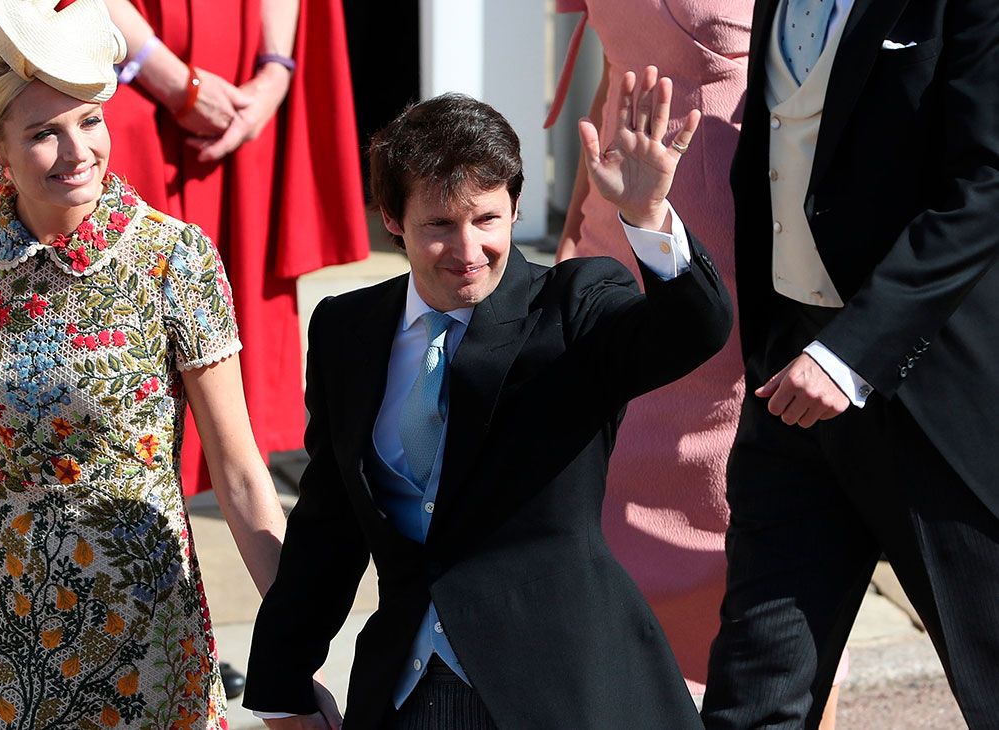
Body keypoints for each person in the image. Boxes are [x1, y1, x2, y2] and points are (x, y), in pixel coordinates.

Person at [244, 81, 733, 728]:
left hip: (565, 689)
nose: (469, 251)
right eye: (441, 225)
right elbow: (330, 520)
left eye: (486, 219)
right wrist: (283, 685)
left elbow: (694, 330)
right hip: (408, 691)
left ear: (513, 206)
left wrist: (647, 217)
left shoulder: (573, 304)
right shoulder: (347, 329)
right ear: (392, 219)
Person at [0, 1, 325, 727]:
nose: (79, 154)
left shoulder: (173, 257)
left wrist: (294, 653)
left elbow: (239, 472)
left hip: (135, 619)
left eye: (89, 121)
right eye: (43, 134)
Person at [545, 1, 849, 724]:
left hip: (744, 249)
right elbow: (616, 68)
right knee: (597, 529)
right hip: (620, 237)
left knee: (770, 567)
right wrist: (573, 236)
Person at [701, 0, 999, 728]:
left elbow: (987, 184)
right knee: (755, 693)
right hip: (790, 386)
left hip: (934, 392)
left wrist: (852, 353)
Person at [96, 0, 369, 501]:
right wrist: (175, 82)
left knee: (232, 333)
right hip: (130, 78)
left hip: (243, 91)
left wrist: (275, 73)